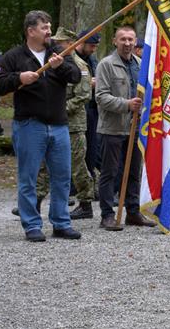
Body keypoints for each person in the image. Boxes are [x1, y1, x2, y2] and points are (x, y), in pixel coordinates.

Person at [0, 11, 82, 242]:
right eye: (44, 28)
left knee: (62, 178)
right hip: (29, 125)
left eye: (49, 27)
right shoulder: (14, 57)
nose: (49, 31)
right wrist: (19, 78)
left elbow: (75, 77)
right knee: (28, 178)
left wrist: (60, 66)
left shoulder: (58, 53)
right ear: (31, 31)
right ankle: (32, 225)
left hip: (59, 125)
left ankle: (61, 223)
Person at [95, 25, 156, 231]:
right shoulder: (106, 65)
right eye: (123, 39)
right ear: (115, 41)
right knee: (109, 173)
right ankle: (107, 215)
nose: (127, 43)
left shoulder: (140, 65)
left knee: (133, 173)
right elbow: (101, 96)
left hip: (135, 129)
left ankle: (132, 212)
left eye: (131, 39)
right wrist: (126, 104)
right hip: (112, 129)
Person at [34, 28, 96, 219]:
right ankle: (34, 203)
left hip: (74, 125)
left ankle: (85, 204)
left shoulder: (80, 66)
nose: (56, 45)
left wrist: (59, 108)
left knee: (77, 166)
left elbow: (83, 96)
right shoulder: (52, 64)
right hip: (52, 122)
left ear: (71, 44)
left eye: (60, 43)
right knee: (42, 164)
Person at [75, 30, 101, 194]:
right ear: (81, 43)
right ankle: (74, 187)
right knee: (77, 151)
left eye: (95, 46)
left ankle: (90, 185)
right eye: (91, 45)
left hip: (92, 110)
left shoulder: (92, 60)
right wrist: (87, 83)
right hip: (75, 110)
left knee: (92, 150)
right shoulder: (71, 59)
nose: (93, 49)